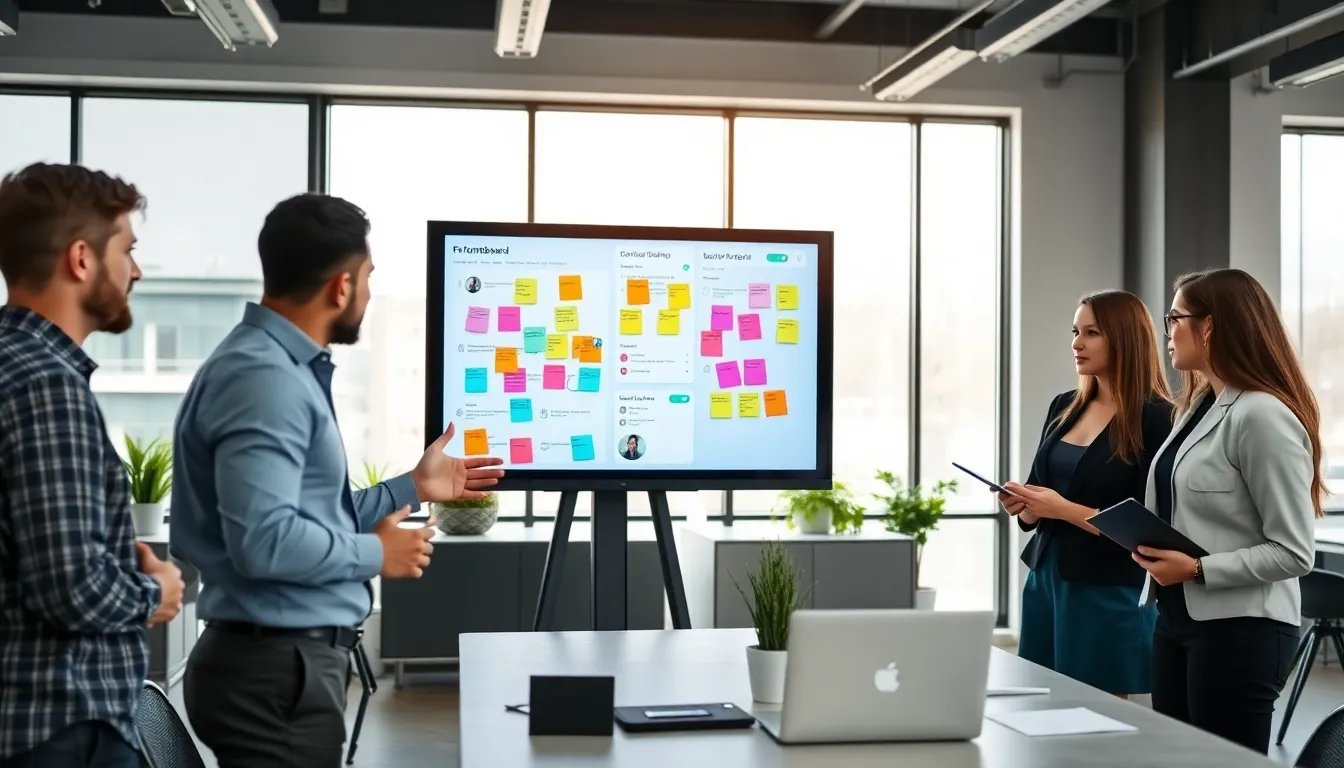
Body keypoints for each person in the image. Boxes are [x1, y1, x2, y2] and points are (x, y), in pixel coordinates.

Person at [170, 193, 505, 767]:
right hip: (273, 676)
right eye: (368, 277)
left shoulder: (274, 368)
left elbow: (309, 514)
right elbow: (264, 540)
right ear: (341, 286)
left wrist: (413, 486)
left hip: (280, 669)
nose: (370, 293)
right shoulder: (263, 378)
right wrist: (376, 553)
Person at [0, 163, 185, 768]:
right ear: (81, 259)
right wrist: (155, 591)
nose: (136, 270)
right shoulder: (46, 386)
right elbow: (72, 590)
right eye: (127, 250)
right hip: (62, 729)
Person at [1132, 268, 1317, 753]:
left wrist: (1196, 569)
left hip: (1242, 630)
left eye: (1175, 318)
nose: (1168, 331)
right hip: (1176, 619)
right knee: (1176, 758)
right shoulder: (1196, 407)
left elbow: (1294, 552)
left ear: (1209, 326)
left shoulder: (1262, 416)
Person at [998, 290, 1173, 697]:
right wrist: (1026, 507)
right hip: (1046, 578)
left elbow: (1146, 524)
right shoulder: (1064, 406)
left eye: (1092, 333)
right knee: (1039, 702)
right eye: (1075, 332)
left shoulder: (1159, 418)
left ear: (1125, 338)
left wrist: (1061, 508)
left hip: (1107, 587)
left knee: (1098, 713)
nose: (1077, 343)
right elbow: (1038, 490)